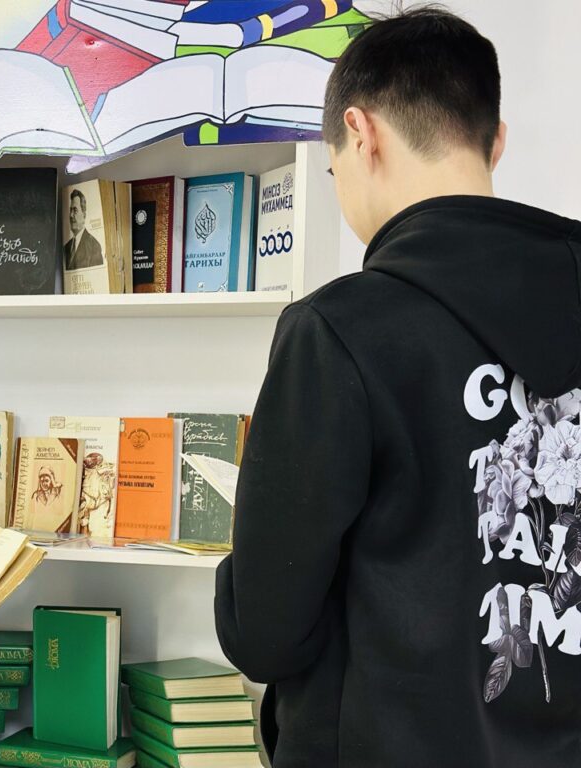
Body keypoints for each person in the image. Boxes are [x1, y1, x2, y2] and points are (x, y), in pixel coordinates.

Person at [214, 8, 581, 768]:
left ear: (362, 134)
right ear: (495, 141)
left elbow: (266, 633)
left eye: (332, 168)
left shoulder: (340, 331)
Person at [64, 188, 103, 270]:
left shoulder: (94, 246)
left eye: (75, 210)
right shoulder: (66, 247)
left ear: (84, 214)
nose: (71, 215)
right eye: (70, 210)